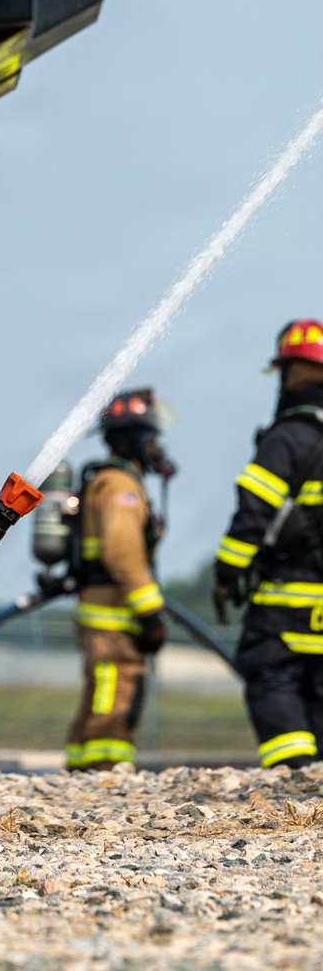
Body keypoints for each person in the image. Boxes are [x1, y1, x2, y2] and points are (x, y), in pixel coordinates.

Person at [213, 320, 323, 769]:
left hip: (285, 600)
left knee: (270, 677)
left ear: (290, 373)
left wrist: (227, 573)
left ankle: (295, 778)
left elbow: (252, 517)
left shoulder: (288, 439)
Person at [65, 388, 175, 770]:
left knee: (101, 692)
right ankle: (105, 773)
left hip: (105, 612)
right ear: (135, 438)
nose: (156, 446)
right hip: (113, 616)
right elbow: (122, 551)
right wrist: (150, 611)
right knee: (117, 692)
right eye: (152, 436)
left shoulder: (109, 481)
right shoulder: (120, 486)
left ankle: (80, 771)